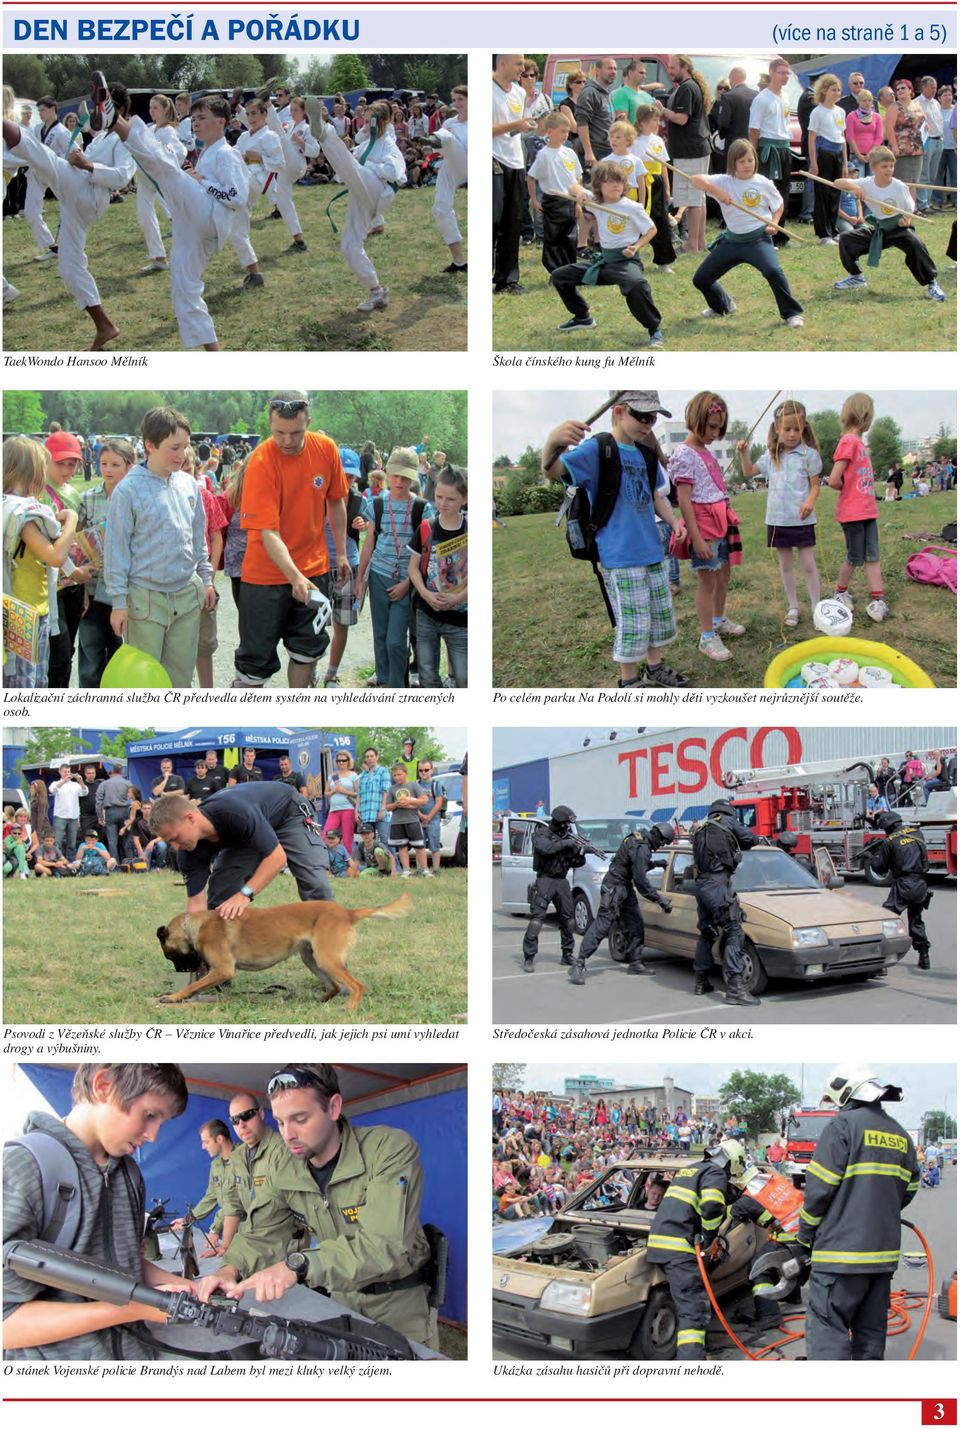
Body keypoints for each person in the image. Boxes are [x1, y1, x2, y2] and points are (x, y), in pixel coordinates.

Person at [194, 1064, 440, 1348]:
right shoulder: (288, 1172)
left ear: (333, 1107)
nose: (288, 1134)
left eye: (300, 1119)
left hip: (398, 1307)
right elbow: (263, 1231)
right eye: (281, 1122)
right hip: (342, 1305)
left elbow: (384, 1244)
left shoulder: (387, 1150)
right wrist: (230, 1269)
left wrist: (298, 1264)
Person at [3, 1063, 190, 1359]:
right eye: (150, 1115)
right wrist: (127, 1309)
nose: (153, 1136)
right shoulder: (22, 1167)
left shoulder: (129, 1174)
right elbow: (6, 1325)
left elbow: (125, 1264)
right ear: (103, 1085)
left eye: (161, 1122)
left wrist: (192, 1289)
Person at [542, 393, 685, 687]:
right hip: (620, 556)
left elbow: (655, 495)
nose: (648, 424)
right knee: (633, 624)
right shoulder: (598, 449)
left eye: (653, 418)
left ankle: (655, 667)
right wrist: (552, 442)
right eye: (641, 416)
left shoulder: (645, 454)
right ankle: (629, 681)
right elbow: (555, 470)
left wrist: (672, 521)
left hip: (652, 552)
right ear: (619, 411)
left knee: (657, 617)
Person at [105, 84, 250, 351]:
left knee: (166, 170)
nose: (195, 124)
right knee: (183, 290)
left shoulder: (227, 153)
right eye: (193, 119)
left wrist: (202, 181)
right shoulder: (207, 153)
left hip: (211, 217)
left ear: (221, 122)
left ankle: (115, 120)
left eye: (202, 118)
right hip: (194, 225)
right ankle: (214, 353)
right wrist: (200, 178)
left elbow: (237, 197)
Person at [796, 1065, 919, 1359]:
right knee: (870, 1338)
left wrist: (804, 1235)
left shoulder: (843, 1126)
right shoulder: (901, 1135)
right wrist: (878, 1208)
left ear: (845, 1092)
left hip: (839, 1258)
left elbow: (819, 1191)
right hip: (881, 1259)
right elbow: (910, 1188)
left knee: (829, 1333)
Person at [2, 88, 134, 349]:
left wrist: (87, 165)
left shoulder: (125, 140)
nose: (96, 112)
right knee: (69, 263)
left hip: (90, 194)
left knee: (41, 155)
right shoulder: (98, 138)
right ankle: (104, 325)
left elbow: (122, 176)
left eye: (100, 107)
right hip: (78, 198)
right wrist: (79, 162)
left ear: (115, 110)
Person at [233, 392, 349, 689]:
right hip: (264, 577)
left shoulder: (326, 449)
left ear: (308, 422)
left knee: (306, 652)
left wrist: (341, 554)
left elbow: (336, 501)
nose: (286, 440)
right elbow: (266, 532)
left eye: (295, 432)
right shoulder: (261, 459)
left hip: (314, 571)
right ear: (270, 425)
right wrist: (294, 577)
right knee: (254, 664)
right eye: (279, 433)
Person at [102, 406, 214, 688]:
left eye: (186, 446)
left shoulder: (189, 484)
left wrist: (207, 579)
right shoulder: (127, 491)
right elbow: (116, 552)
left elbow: (198, 537)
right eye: (174, 447)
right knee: (145, 682)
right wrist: (119, 603)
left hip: (186, 596)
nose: (182, 454)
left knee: (179, 680)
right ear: (150, 445)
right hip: (146, 600)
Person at [149, 782, 333, 920]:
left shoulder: (234, 812)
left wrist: (245, 894)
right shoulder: (188, 851)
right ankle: (217, 962)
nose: (175, 847)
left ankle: (332, 956)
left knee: (315, 884)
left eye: (175, 838)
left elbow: (277, 858)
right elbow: (196, 903)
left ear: (190, 818)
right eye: (168, 841)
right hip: (246, 834)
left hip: (288, 814)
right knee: (221, 895)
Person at [689, 139, 805, 327]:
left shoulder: (763, 183)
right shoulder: (724, 181)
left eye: (750, 160)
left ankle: (792, 314)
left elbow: (778, 205)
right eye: (741, 161)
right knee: (701, 279)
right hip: (732, 242)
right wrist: (716, 191)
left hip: (758, 240)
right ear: (733, 162)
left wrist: (774, 223)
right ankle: (723, 306)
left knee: (773, 271)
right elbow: (694, 179)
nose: (747, 165)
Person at [647, 1137, 742, 1359]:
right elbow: (710, 1207)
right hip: (679, 1248)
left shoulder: (691, 1170)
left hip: (660, 1243)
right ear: (730, 1163)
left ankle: (698, 1350)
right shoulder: (716, 1173)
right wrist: (710, 1240)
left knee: (688, 1300)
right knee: (693, 1308)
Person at [668, 391, 745, 663]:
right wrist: (698, 540)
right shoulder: (684, 454)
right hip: (704, 526)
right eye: (712, 426)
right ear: (696, 419)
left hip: (721, 521)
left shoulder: (707, 453)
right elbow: (685, 501)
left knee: (723, 575)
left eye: (719, 428)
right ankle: (706, 636)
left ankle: (718, 618)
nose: (715, 433)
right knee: (707, 581)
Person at [309, 97, 405, 313]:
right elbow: (346, 167)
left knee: (352, 166)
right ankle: (376, 291)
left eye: (371, 120)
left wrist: (369, 166)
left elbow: (393, 172)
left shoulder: (389, 145)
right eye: (366, 120)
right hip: (361, 194)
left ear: (381, 122)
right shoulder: (364, 146)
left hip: (377, 191)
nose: (366, 125)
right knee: (349, 245)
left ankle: (325, 133)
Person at [553, 160, 663, 344]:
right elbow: (572, 185)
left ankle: (654, 329)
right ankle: (582, 317)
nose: (615, 185)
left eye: (618, 182)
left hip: (626, 262)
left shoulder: (632, 207)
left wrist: (636, 247)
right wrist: (579, 193)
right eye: (609, 181)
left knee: (636, 284)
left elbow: (651, 229)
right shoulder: (596, 201)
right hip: (604, 261)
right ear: (598, 186)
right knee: (559, 276)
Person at [737, 399, 822, 626]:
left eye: (797, 428)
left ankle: (816, 606)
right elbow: (748, 471)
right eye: (787, 429)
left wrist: (810, 502)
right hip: (778, 521)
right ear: (777, 428)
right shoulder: (771, 455)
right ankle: (793, 606)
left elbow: (815, 485)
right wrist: (743, 453)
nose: (792, 434)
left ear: (803, 428)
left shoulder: (809, 455)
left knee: (808, 564)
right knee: (786, 565)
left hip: (801, 520)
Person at [2, 436, 78, 689]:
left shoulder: (11, 508)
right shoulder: (21, 513)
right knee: (26, 684)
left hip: (30, 606)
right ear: (34, 471)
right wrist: (73, 520)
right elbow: (55, 557)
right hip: (24, 611)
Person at [831, 145, 945, 303]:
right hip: (880, 229)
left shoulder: (898, 186)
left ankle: (932, 283)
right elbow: (838, 182)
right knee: (846, 239)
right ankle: (856, 277)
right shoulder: (866, 183)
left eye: (891, 165)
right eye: (884, 166)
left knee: (916, 244)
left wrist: (907, 220)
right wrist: (853, 187)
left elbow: (909, 209)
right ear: (873, 168)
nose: (889, 169)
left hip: (899, 228)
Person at [357, 448, 429, 689]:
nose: (400, 481)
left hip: (407, 581)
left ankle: (398, 685)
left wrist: (409, 583)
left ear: (413, 478)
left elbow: (426, 555)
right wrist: (360, 580)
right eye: (396, 475)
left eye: (406, 477)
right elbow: (369, 543)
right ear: (388, 473)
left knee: (396, 641)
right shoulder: (377, 504)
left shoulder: (422, 508)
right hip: (378, 576)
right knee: (380, 636)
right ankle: (385, 681)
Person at [208, 1093, 308, 1265]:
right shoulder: (237, 1157)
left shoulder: (283, 1151)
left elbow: (286, 1213)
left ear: (261, 1114)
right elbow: (233, 1206)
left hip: (284, 1253)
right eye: (235, 1120)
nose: (241, 1125)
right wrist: (225, 1247)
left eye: (247, 1115)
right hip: (253, 1248)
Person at [570, 824, 675, 984]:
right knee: (602, 925)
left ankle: (635, 962)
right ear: (658, 836)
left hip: (623, 886)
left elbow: (631, 864)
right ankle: (579, 964)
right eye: (663, 842)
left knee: (635, 924)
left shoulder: (638, 839)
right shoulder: (642, 847)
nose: (661, 846)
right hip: (614, 887)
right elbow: (641, 882)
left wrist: (655, 864)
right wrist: (659, 899)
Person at [76, 437, 135, 688]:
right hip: (93, 590)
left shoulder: (136, 499)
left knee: (122, 655)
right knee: (91, 656)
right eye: (103, 463)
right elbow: (76, 546)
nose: (108, 470)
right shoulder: (87, 498)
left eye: (115, 464)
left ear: (130, 466)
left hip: (127, 590)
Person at [826, 392, 889, 621]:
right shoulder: (849, 442)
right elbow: (834, 479)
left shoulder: (860, 444)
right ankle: (840, 592)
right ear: (866, 416)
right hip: (852, 513)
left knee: (873, 555)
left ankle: (878, 598)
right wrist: (850, 490)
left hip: (868, 511)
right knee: (855, 556)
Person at [691, 798, 759, 1005]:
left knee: (707, 932)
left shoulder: (701, 829)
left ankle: (701, 982)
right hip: (718, 886)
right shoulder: (727, 822)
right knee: (734, 932)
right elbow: (750, 838)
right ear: (728, 812)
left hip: (701, 887)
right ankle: (736, 990)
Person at [407, 465, 468, 688]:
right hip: (426, 614)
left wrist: (458, 598)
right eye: (439, 496)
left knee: (464, 677)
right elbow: (413, 568)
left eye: (450, 499)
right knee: (427, 674)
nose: (442, 503)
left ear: (464, 499)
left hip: (461, 618)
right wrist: (425, 593)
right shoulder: (426, 528)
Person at [861, 811, 932, 969]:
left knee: (886, 919)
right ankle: (924, 955)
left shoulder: (890, 842)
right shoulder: (917, 833)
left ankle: (878, 959)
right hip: (920, 883)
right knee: (916, 921)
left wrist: (870, 857)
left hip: (903, 884)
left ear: (888, 826)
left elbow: (881, 868)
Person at [493, 54, 538, 294]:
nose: (523, 68)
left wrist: (524, 126)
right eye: (519, 64)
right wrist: (515, 126)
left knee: (513, 222)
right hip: (493, 159)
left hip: (515, 160)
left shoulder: (519, 93)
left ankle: (507, 280)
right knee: (493, 220)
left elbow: (514, 128)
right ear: (502, 64)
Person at [522, 804, 586, 971]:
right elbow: (547, 849)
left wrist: (580, 852)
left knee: (569, 920)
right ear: (558, 822)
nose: (567, 827)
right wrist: (566, 843)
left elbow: (576, 862)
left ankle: (567, 954)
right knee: (537, 920)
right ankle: (529, 957)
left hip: (562, 881)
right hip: (545, 880)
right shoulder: (541, 834)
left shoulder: (567, 837)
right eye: (565, 823)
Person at [661, 55, 713, 253]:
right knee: (698, 198)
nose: (670, 71)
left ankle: (692, 244)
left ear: (685, 67)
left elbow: (682, 119)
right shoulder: (691, 86)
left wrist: (663, 111)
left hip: (691, 150)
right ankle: (699, 243)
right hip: (697, 147)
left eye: (673, 67)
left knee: (693, 199)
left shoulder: (686, 87)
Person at [135, 93, 187, 272]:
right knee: (144, 216)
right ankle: (158, 257)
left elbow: (180, 153)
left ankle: (191, 248)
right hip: (144, 179)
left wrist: (164, 163)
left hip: (162, 180)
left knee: (179, 215)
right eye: (150, 108)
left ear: (165, 109)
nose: (151, 111)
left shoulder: (168, 132)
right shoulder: (149, 130)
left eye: (155, 108)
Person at [170, 1119, 235, 1258]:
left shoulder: (243, 1160)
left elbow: (235, 1201)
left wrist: (215, 1228)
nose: (203, 1147)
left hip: (249, 1233)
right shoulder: (216, 1165)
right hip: (231, 1234)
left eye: (206, 1142)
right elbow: (211, 1197)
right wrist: (188, 1219)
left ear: (219, 1139)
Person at [526, 110, 582, 274]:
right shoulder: (543, 154)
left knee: (570, 237)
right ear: (550, 132)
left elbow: (578, 177)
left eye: (567, 132)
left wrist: (578, 202)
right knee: (554, 238)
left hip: (570, 200)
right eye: (562, 132)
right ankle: (555, 270)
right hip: (553, 201)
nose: (565, 135)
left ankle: (570, 269)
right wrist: (534, 200)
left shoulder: (570, 152)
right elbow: (530, 177)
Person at [748, 57, 794, 245]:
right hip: (768, 149)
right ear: (772, 73)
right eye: (781, 73)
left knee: (783, 191)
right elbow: (753, 130)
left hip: (784, 147)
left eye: (787, 73)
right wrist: (753, 156)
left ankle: (780, 233)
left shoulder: (785, 97)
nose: (785, 77)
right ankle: (764, 234)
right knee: (768, 191)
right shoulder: (762, 98)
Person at [22, 95, 70, 261]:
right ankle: (52, 245)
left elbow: (73, 152)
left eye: (43, 110)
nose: (40, 113)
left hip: (56, 173)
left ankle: (67, 245)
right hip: (37, 173)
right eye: (39, 110)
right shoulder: (36, 129)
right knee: (30, 212)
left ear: (52, 109)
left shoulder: (62, 132)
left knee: (68, 210)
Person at [807, 73, 848, 243]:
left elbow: (843, 137)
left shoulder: (840, 111)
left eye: (839, 90)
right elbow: (811, 139)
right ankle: (823, 233)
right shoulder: (817, 112)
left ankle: (834, 229)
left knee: (835, 192)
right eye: (833, 90)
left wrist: (845, 163)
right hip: (824, 153)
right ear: (824, 91)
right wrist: (814, 163)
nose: (837, 93)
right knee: (823, 193)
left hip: (838, 152)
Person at [432, 86, 468, 274]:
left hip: (471, 163)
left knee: (447, 137)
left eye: (460, 99)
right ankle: (459, 261)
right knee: (440, 208)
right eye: (454, 100)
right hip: (450, 165)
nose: (456, 104)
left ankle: (437, 139)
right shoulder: (450, 122)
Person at [384, 761, 431, 877]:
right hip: (397, 821)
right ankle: (406, 870)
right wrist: (396, 804)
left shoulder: (413, 785)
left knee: (419, 846)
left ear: (405, 773)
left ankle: (424, 870)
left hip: (413, 820)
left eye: (399, 774)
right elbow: (388, 806)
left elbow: (424, 800)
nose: (396, 777)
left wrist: (410, 801)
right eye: (394, 775)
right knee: (402, 846)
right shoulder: (392, 789)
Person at [715, 67, 757, 162]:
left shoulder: (728, 96)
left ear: (732, 78)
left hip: (734, 144)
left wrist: (722, 135)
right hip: (752, 143)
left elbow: (724, 122)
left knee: (733, 172)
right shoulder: (756, 94)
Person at [95, 763, 132, 865]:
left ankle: (114, 864)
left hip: (110, 812)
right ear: (122, 772)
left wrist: (100, 816)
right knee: (126, 839)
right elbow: (134, 798)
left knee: (112, 840)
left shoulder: (104, 784)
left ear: (112, 771)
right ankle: (128, 862)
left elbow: (98, 801)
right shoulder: (128, 783)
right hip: (125, 811)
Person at [323, 750, 359, 854]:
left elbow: (358, 794)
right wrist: (334, 790)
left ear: (348, 761)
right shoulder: (333, 775)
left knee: (347, 838)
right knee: (326, 835)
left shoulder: (353, 775)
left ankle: (348, 864)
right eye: (339, 760)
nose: (341, 762)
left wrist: (345, 791)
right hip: (334, 809)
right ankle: (328, 860)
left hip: (348, 809)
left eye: (344, 760)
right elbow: (326, 793)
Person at [49, 763, 86, 862]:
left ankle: (71, 862)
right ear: (60, 772)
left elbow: (85, 792)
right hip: (60, 816)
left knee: (72, 843)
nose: (67, 774)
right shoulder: (56, 783)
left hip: (73, 817)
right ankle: (57, 861)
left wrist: (81, 781)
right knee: (57, 841)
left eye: (69, 772)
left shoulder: (75, 785)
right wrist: (64, 782)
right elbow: (52, 790)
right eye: (65, 772)